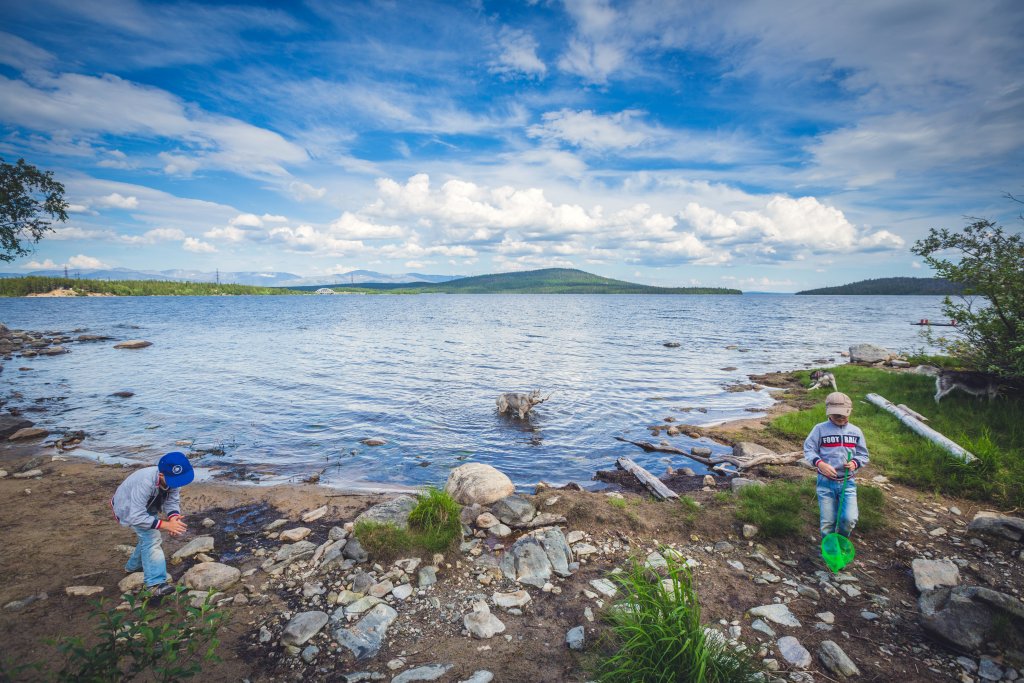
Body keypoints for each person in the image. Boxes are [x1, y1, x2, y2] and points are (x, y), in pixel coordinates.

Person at [111, 451, 194, 596]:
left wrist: (173, 517)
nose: (179, 484)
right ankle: (155, 584)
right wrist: (166, 525)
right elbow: (136, 517)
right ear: (161, 475)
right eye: (176, 480)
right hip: (129, 508)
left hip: (149, 506)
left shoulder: (172, 480)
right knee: (153, 537)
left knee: (147, 538)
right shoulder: (145, 483)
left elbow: (172, 500)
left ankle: (132, 567)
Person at [803, 392, 869, 538]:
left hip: (848, 482)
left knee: (849, 519)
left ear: (849, 411)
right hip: (825, 483)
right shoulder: (819, 429)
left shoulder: (856, 431)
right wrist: (820, 464)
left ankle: (842, 539)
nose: (840, 418)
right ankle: (830, 549)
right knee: (828, 522)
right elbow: (808, 449)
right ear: (828, 413)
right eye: (836, 415)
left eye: (843, 415)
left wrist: (855, 463)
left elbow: (863, 455)